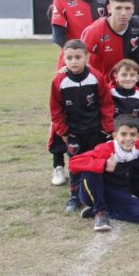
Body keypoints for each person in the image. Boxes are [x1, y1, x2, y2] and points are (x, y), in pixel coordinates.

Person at [48, 40, 114, 211]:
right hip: (73, 132)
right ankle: (74, 196)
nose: (74, 61)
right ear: (64, 59)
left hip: (95, 130)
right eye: (69, 58)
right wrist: (62, 130)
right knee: (75, 163)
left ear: (87, 57)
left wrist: (107, 128)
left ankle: (97, 193)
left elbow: (106, 104)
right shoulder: (59, 81)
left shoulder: (96, 77)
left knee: (96, 163)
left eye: (78, 57)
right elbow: (55, 109)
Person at [69, 115, 139, 231]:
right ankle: (100, 212)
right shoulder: (106, 149)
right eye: (123, 134)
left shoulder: (138, 147)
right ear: (115, 135)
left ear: (138, 136)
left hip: (115, 192)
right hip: (92, 191)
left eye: (133, 134)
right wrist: (103, 164)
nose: (128, 138)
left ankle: (101, 210)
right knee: (92, 170)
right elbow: (73, 163)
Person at [81, 0, 139, 89]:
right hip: (105, 87)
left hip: (134, 84)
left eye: (127, 8)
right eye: (118, 8)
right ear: (109, 9)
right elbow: (82, 61)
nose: (123, 13)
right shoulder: (93, 32)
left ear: (133, 9)